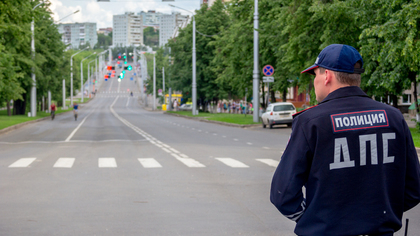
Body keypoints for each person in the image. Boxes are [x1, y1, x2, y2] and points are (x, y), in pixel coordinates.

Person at [270, 44, 420, 236]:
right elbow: (413, 189)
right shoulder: (394, 118)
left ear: (327, 76)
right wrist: (381, 217)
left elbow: (282, 193)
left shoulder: (310, 122)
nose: (314, 80)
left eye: (315, 74)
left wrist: (313, 218)